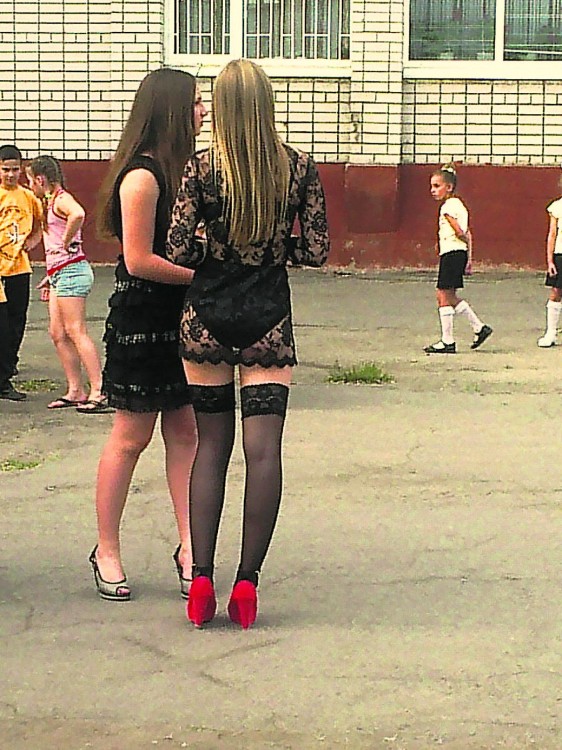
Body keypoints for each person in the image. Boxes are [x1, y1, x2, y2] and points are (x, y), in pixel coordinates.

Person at [166, 59, 330, 629]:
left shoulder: (201, 168)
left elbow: (178, 250)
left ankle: (200, 579)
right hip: (268, 319)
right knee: (264, 453)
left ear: (221, 108)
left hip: (206, 318)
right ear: (266, 105)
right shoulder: (298, 168)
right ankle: (246, 583)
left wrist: (216, 245)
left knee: (210, 446)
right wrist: (275, 247)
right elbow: (317, 251)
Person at [89, 68, 207, 601]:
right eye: (197, 103)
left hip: (182, 321)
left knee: (186, 433)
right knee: (131, 436)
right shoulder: (142, 176)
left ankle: (191, 548)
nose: (203, 112)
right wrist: (205, 279)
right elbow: (139, 260)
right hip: (142, 321)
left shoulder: (189, 170)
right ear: (171, 110)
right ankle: (107, 549)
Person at [27, 155, 109, 412]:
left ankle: (99, 389)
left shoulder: (61, 199)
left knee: (75, 330)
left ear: (40, 179)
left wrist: (66, 241)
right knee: (58, 332)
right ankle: (76, 389)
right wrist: (50, 274)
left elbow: (78, 214)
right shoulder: (49, 201)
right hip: (59, 273)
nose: (30, 186)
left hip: (72, 272)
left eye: (30, 181)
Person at [424, 164, 493, 354]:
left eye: (437, 186)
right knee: (450, 296)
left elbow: (459, 231)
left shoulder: (448, 207)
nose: (433, 190)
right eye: (432, 186)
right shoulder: (460, 206)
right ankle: (479, 328)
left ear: (449, 187)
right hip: (459, 253)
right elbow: (468, 232)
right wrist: (468, 257)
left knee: (442, 294)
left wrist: (458, 241)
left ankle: (448, 341)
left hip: (452, 253)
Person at [0, 144, 42, 400]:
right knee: (2, 325)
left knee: (17, 321)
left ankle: (7, 367)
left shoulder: (28, 197)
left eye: (15, 169)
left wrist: (33, 241)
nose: (10, 175)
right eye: (5, 170)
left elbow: (40, 225)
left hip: (18, 268)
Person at [537, 182, 562, 347]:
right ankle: (551, 333)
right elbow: (552, 234)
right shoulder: (557, 207)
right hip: (561, 254)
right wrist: (550, 261)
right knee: (556, 292)